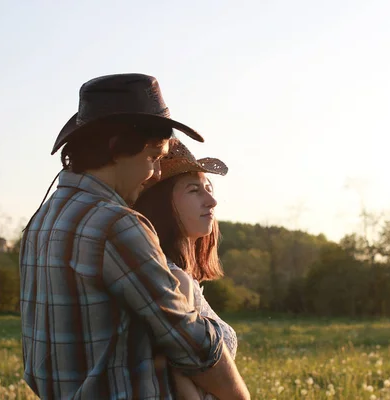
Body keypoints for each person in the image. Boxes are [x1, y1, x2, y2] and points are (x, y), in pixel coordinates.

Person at [19, 73, 249, 400]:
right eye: (153, 158)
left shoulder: (40, 222)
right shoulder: (115, 224)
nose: (156, 173)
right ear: (117, 149)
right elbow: (190, 343)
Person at [134, 138, 237, 400]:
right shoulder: (175, 281)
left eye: (208, 188)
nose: (211, 200)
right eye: (194, 190)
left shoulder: (179, 275)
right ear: (162, 203)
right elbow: (177, 382)